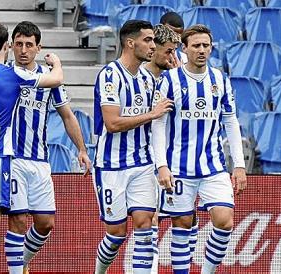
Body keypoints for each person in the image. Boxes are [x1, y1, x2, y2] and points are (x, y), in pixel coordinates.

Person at [0, 20, 92, 273]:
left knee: (45, 223)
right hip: (10, 158)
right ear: (10, 46)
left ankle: (21, 262)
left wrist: (81, 149)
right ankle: (14, 269)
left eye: (29, 45)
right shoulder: (2, 72)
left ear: (38, 48)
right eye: (18, 44)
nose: (23, 50)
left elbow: (68, 116)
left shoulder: (42, 80)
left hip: (39, 159)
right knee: (16, 220)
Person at [152, 24, 247, 274]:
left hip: (213, 166)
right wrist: (161, 165)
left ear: (212, 47)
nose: (201, 50)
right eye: (196, 45)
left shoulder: (220, 79)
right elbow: (158, 125)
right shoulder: (169, 80)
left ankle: (206, 271)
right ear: (185, 49)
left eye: (206, 45)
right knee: (182, 225)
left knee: (224, 221)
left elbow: (230, 121)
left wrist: (239, 165)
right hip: (178, 168)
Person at [91, 20, 174, 274]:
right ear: (130, 43)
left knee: (144, 225)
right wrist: (151, 114)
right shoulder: (109, 75)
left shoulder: (150, 80)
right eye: (147, 40)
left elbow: (161, 121)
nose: (152, 45)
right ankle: (100, 271)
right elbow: (113, 123)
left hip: (142, 164)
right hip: (111, 165)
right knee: (116, 234)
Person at [141, 23, 184, 273]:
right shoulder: (140, 79)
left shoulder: (176, 79)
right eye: (168, 52)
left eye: (175, 52)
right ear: (153, 48)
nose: (173, 58)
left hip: (170, 158)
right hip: (142, 159)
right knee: (148, 222)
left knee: (177, 219)